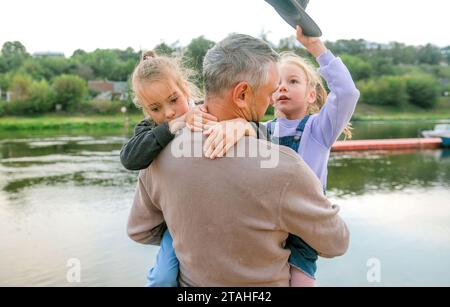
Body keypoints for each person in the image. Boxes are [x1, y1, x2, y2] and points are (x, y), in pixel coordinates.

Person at [127, 33, 350, 287]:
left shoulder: (157, 157)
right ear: (242, 94)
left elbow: (140, 230)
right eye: (269, 92)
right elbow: (336, 242)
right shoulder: (284, 166)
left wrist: (191, 230)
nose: (271, 101)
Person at [202, 25, 360, 286]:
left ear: (311, 94)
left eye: (293, 81)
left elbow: (347, 93)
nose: (283, 88)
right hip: (267, 222)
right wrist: (240, 126)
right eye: (277, 84)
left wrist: (316, 47)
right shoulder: (263, 130)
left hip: (303, 227)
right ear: (269, 95)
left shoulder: (318, 130)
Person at [120, 50, 218, 286]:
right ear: (145, 109)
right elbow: (130, 159)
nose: (168, 112)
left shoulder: (209, 111)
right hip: (176, 224)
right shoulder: (150, 128)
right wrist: (174, 126)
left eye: (173, 100)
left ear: (185, 88)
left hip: (215, 215)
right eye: (155, 108)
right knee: (162, 278)